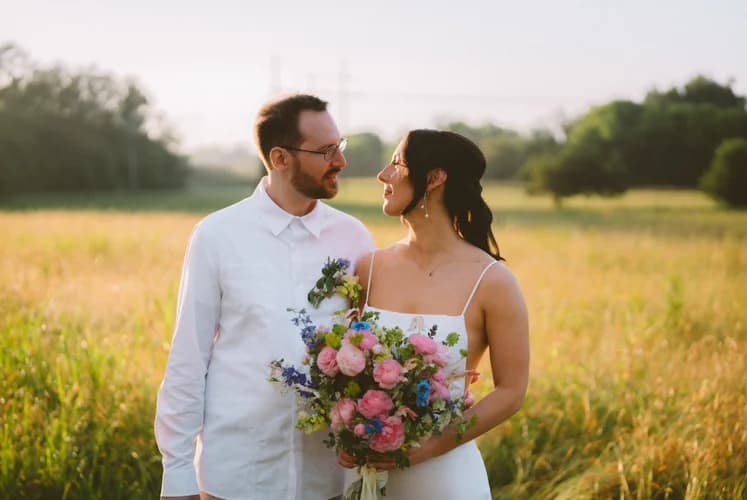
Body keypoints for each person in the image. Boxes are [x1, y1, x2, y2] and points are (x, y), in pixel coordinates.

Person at [155, 94, 375, 500]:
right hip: (236, 475)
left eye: (338, 147)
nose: (341, 161)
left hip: (328, 478)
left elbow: (369, 349)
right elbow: (188, 357)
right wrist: (178, 473)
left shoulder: (355, 238)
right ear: (280, 158)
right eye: (326, 151)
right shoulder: (217, 236)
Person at [339, 129, 530, 499]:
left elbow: (511, 390)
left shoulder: (492, 280)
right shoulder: (369, 268)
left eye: (397, 164)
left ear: (434, 177)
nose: (383, 175)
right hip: (366, 475)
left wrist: (429, 447)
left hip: (444, 478)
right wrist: (348, 431)